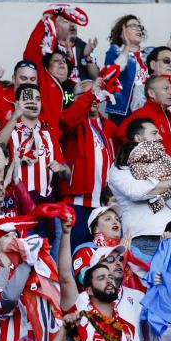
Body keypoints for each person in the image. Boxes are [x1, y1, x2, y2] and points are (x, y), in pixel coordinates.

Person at [57, 80, 117, 246]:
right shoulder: (70, 123)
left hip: (103, 205)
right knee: (76, 252)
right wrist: (91, 95)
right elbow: (67, 120)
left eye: (97, 94)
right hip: (76, 203)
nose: (94, 98)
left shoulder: (110, 127)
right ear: (76, 99)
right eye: (88, 94)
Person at [0, 83, 68, 198]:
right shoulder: (10, 131)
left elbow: (67, 174)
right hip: (16, 201)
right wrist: (15, 116)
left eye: (37, 99)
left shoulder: (48, 134)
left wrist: (61, 168)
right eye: (28, 98)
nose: (33, 102)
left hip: (44, 203)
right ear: (17, 103)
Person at [102, 14, 152, 123]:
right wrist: (127, 47)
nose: (138, 29)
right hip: (123, 112)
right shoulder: (115, 51)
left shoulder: (149, 53)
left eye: (140, 27)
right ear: (123, 30)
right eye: (133, 26)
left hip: (146, 108)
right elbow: (109, 75)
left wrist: (169, 47)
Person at [118, 75, 171, 158]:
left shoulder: (168, 116)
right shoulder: (142, 114)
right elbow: (121, 133)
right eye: (166, 89)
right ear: (151, 93)